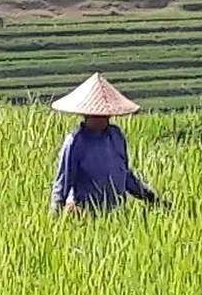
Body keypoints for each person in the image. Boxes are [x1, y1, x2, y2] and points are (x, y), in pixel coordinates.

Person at [49, 73, 165, 216]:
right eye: (97, 115)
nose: (103, 118)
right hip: (85, 213)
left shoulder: (116, 136)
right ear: (87, 115)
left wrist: (151, 198)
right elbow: (63, 182)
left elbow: (125, 175)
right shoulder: (76, 141)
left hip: (116, 213)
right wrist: (55, 214)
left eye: (105, 115)